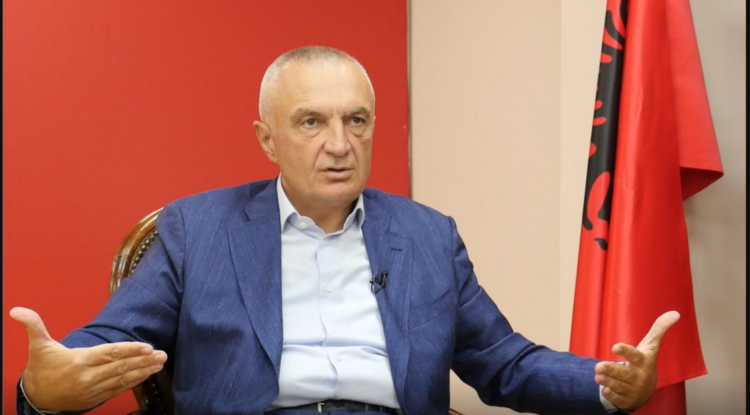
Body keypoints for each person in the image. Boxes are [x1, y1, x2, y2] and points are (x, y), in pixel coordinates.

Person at [11, 46, 679, 415]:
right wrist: (42, 388)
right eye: (311, 122)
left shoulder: (427, 236)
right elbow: (102, 343)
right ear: (266, 138)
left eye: (356, 121)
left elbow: (505, 362)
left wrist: (606, 380)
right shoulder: (198, 229)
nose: (339, 143)